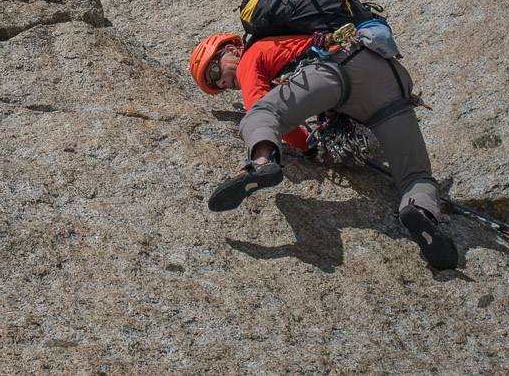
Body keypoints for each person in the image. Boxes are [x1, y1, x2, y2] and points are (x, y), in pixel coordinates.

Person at [189, 32, 458, 270]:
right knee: (415, 174)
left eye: (214, 73)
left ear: (232, 49)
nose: (222, 85)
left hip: (336, 69)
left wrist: (308, 148)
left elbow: (263, 106)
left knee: (260, 114)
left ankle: (261, 162)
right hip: (390, 78)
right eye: (216, 88)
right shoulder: (287, 41)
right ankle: (421, 214)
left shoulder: (252, 54)